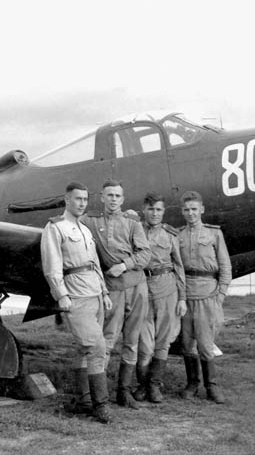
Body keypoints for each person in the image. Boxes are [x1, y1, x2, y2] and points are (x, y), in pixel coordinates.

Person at [40, 182, 113, 424]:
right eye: (77, 199)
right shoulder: (55, 228)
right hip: (76, 296)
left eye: (85, 199)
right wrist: (61, 295)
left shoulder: (85, 230)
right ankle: (101, 405)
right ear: (66, 200)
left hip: (95, 294)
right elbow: (52, 266)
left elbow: (94, 264)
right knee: (97, 348)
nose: (82, 203)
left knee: (85, 350)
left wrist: (104, 293)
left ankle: (84, 401)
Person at [81, 179, 151, 409]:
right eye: (109, 195)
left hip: (136, 287)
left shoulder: (132, 222)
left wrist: (123, 265)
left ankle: (124, 391)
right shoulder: (91, 221)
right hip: (113, 289)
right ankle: (98, 396)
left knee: (132, 340)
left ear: (123, 199)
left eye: (117, 196)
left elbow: (145, 255)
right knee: (107, 340)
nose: (113, 200)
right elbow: (71, 223)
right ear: (102, 197)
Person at [177, 190, 232, 404]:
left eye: (194, 209)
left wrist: (221, 294)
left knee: (206, 343)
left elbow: (225, 266)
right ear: (182, 212)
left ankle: (212, 386)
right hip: (186, 294)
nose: (190, 214)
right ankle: (192, 383)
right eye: (186, 210)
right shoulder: (178, 235)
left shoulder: (214, 234)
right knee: (187, 343)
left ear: (202, 209)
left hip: (208, 294)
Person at [133, 192, 187, 403]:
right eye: (151, 209)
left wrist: (182, 298)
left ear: (163, 212)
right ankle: (142, 385)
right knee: (144, 344)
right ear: (144, 211)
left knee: (163, 342)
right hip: (142, 288)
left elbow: (179, 268)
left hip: (167, 289)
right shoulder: (135, 231)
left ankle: (154, 387)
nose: (154, 214)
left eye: (158, 210)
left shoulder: (171, 235)